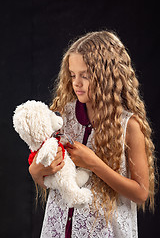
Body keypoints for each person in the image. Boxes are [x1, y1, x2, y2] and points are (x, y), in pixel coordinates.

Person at [29, 30, 156, 238]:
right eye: (72, 75)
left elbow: (141, 193)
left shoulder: (128, 126)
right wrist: (36, 173)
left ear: (107, 76)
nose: (76, 83)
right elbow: (55, 181)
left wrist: (94, 163)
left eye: (85, 75)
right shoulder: (62, 118)